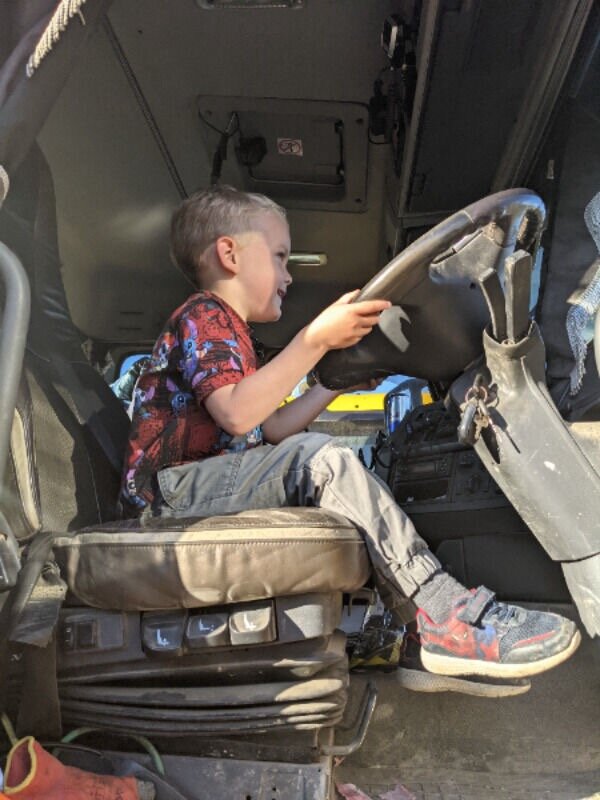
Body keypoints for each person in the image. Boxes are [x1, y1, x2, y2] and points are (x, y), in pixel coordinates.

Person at [120, 185, 580, 680]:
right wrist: (314, 339)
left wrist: (332, 385)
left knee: (325, 463)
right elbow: (236, 416)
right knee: (325, 461)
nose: (288, 275)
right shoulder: (204, 315)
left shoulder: (234, 334)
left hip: (203, 487)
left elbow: (271, 427)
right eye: (279, 257)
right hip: (169, 496)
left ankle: (403, 626)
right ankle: (444, 615)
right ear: (229, 254)